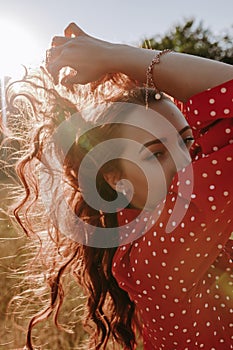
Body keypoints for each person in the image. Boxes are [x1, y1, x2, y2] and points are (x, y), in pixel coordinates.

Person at [7, 22, 233, 350]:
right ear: (116, 179)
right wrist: (114, 55)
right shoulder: (159, 256)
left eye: (187, 140)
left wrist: (117, 58)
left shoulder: (163, 233)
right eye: (157, 153)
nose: (186, 161)